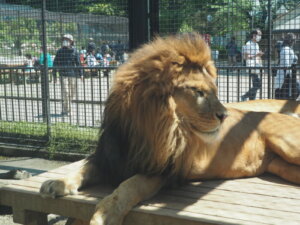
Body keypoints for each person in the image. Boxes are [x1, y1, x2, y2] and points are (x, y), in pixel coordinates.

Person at [53, 34, 83, 116]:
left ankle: (65, 108)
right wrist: (54, 75)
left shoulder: (75, 51)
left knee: (72, 93)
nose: (65, 41)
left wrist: (81, 74)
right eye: (64, 39)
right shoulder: (59, 51)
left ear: (71, 41)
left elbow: (78, 63)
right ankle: (68, 110)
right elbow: (55, 64)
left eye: (67, 39)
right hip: (63, 74)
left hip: (73, 75)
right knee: (66, 92)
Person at [241, 29, 263, 101]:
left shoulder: (256, 44)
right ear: (254, 35)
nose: (260, 36)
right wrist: (256, 55)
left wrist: (260, 64)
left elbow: (257, 56)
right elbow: (245, 57)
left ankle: (252, 99)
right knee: (258, 85)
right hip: (251, 67)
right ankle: (244, 96)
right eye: (259, 35)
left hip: (257, 66)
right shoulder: (248, 44)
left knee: (255, 85)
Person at [274, 33, 298, 100]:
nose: (295, 42)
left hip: (287, 75)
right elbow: (286, 65)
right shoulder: (286, 49)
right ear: (290, 40)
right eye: (294, 40)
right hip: (285, 76)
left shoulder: (287, 49)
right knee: (283, 94)